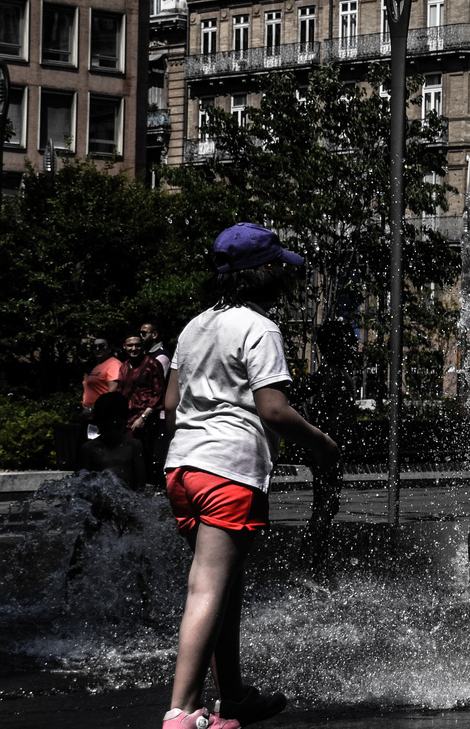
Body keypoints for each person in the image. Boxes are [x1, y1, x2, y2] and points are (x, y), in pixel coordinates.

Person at [161, 223, 339, 729]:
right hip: (229, 472)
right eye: (279, 266)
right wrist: (323, 445)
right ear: (262, 274)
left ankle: (233, 697)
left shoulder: (195, 326)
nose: (286, 275)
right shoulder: (259, 329)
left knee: (222, 587)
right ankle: (183, 711)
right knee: (209, 588)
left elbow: (171, 405)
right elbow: (274, 409)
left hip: (183, 469)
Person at [80, 392, 147, 491]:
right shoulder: (89, 449)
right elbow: (82, 486)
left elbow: (140, 483)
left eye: (117, 427)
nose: (112, 432)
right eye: (106, 428)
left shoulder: (133, 446)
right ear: (97, 423)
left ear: (126, 422)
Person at [81, 338, 124, 414]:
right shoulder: (98, 365)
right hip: (90, 415)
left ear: (109, 349)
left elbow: (112, 392)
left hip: (103, 414)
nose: (97, 349)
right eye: (95, 346)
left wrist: (92, 409)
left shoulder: (114, 364)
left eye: (101, 346)